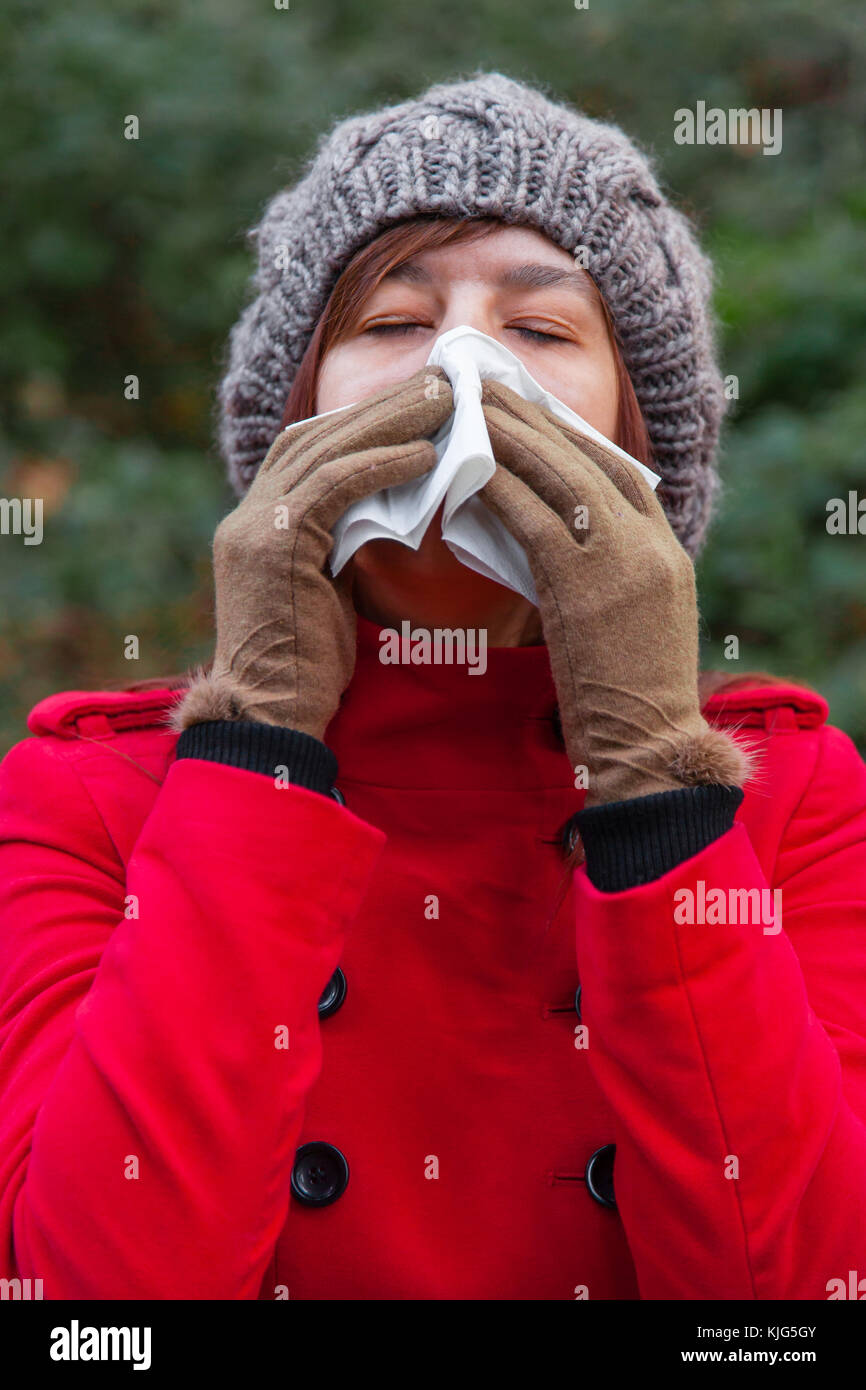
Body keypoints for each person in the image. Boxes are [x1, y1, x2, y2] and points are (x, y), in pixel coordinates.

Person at [1, 71, 865, 1302]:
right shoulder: (88, 797)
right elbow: (94, 1312)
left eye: (540, 329)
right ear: (295, 414)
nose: (461, 368)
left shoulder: (788, 800)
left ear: (640, 434)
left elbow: (791, 1299)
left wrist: (651, 779)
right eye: (394, 323)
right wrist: (254, 747)